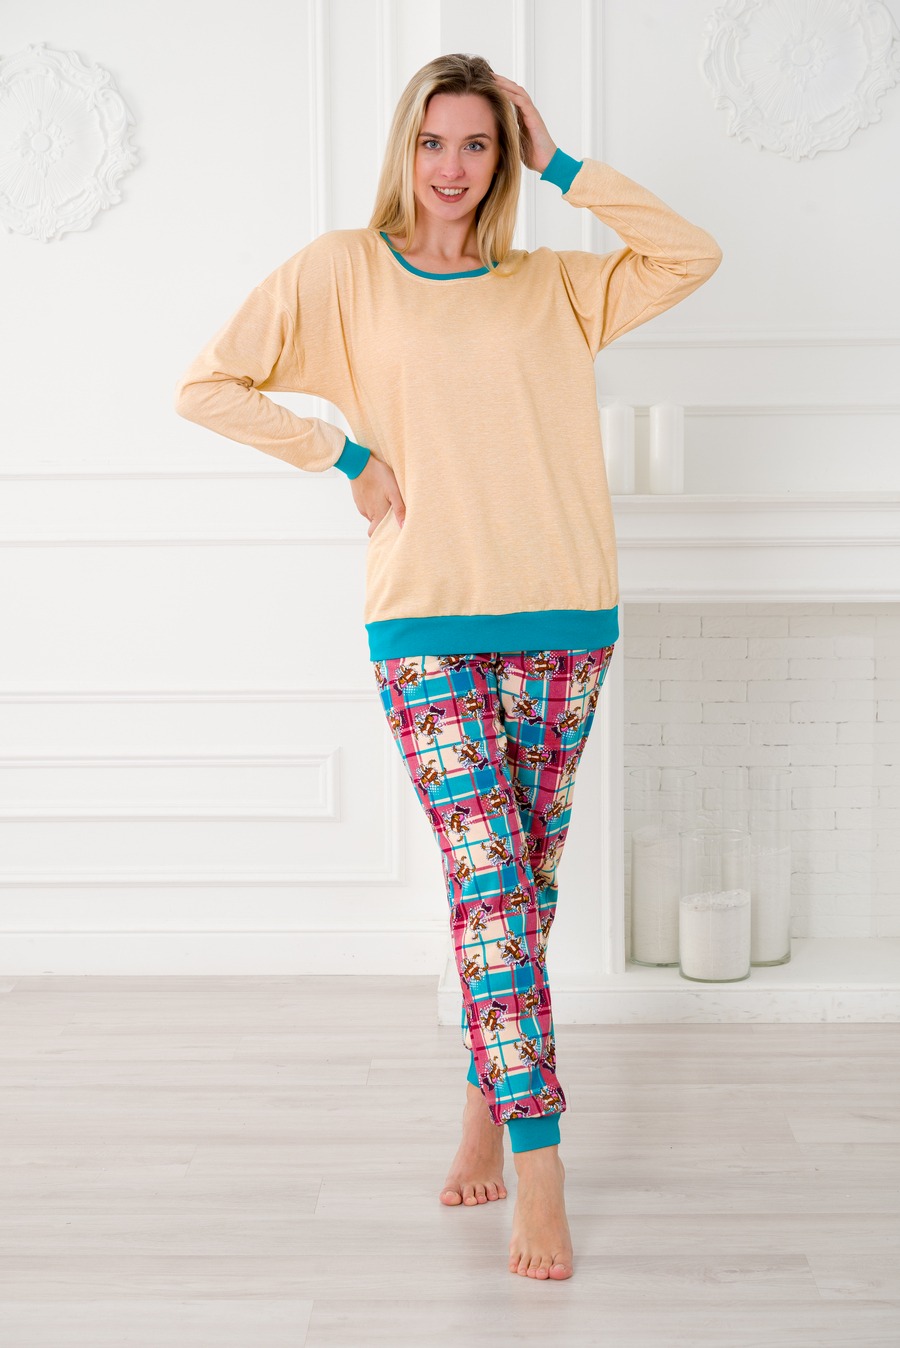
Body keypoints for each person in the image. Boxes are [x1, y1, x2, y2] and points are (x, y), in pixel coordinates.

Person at [174, 52, 723, 1281]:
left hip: (566, 619)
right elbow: (207, 384)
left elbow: (691, 255)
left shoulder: (556, 286)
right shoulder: (343, 273)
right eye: (434, 142)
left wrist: (564, 162)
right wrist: (343, 456)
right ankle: (541, 1157)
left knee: (519, 891)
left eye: (478, 143)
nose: (453, 167)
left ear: (502, 155)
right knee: (493, 885)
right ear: (403, 149)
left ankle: (484, 1098)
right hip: (424, 622)